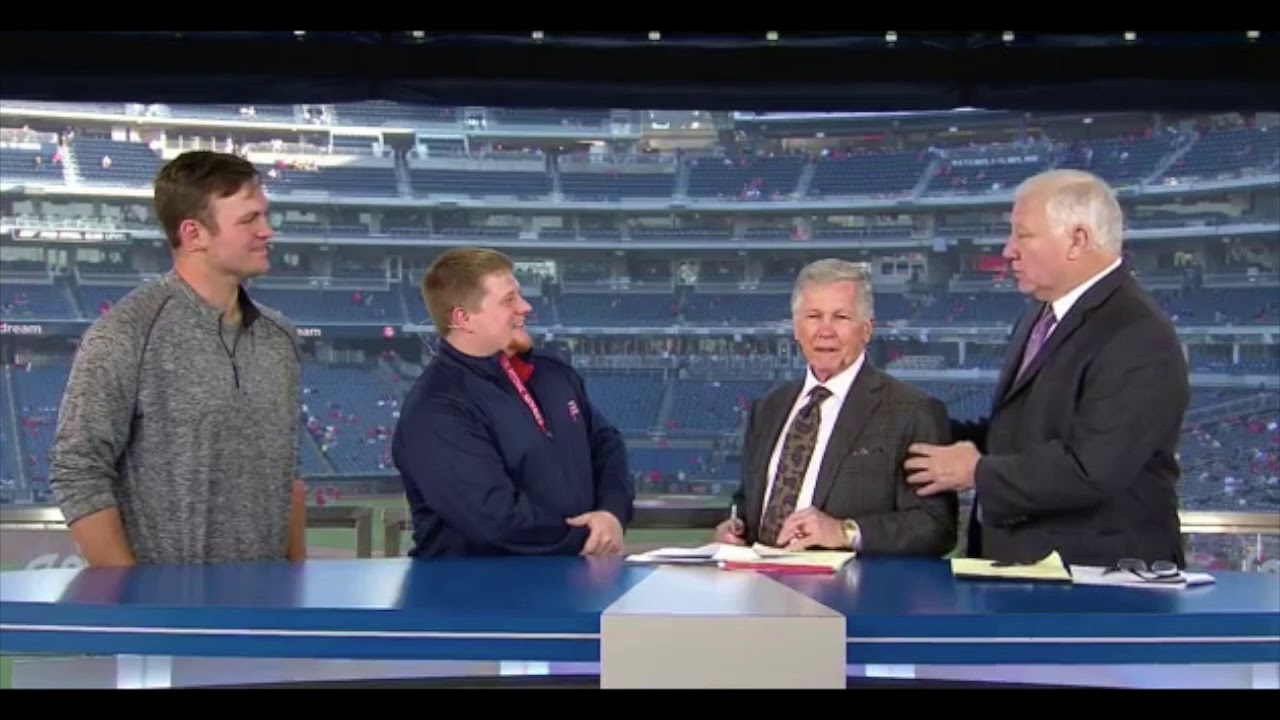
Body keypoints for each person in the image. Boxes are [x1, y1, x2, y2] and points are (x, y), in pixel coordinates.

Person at [905, 169, 1190, 568]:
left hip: (1098, 584)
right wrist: (915, 425)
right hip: (1026, 571)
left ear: (1077, 240)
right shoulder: (1041, 315)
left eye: (1023, 235)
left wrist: (977, 473)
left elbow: (1092, 469)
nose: (1007, 251)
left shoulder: (1136, 333)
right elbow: (1023, 435)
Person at [49, 150, 306, 566]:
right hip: (166, 615)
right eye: (248, 220)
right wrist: (134, 595)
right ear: (193, 234)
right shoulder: (126, 332)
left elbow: (287, 474)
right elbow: (77, 469)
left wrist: (297, 581)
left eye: (265, 215)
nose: (267, 231)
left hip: (269, 609)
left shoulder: (280, 338)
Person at [393, 247, 634, 558]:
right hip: (475, 597)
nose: (526, 307)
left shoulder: (552, 372)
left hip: (566, 583)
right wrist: (589, 537)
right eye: (509, 300)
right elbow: (493, 518)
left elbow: (606, 444)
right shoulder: (437, 408)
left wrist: (611, 513)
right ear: (463, 318)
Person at [713, 259, 957, 556]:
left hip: (847, 595)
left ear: (867, 330)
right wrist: (733, 526)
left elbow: (936, 526)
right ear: (796, 328)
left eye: (841, 317)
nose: (825, 331)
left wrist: (845, 532)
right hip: (759, 589)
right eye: (814, 316)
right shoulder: (768, 408)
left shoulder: (912, 411)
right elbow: (745, 499)